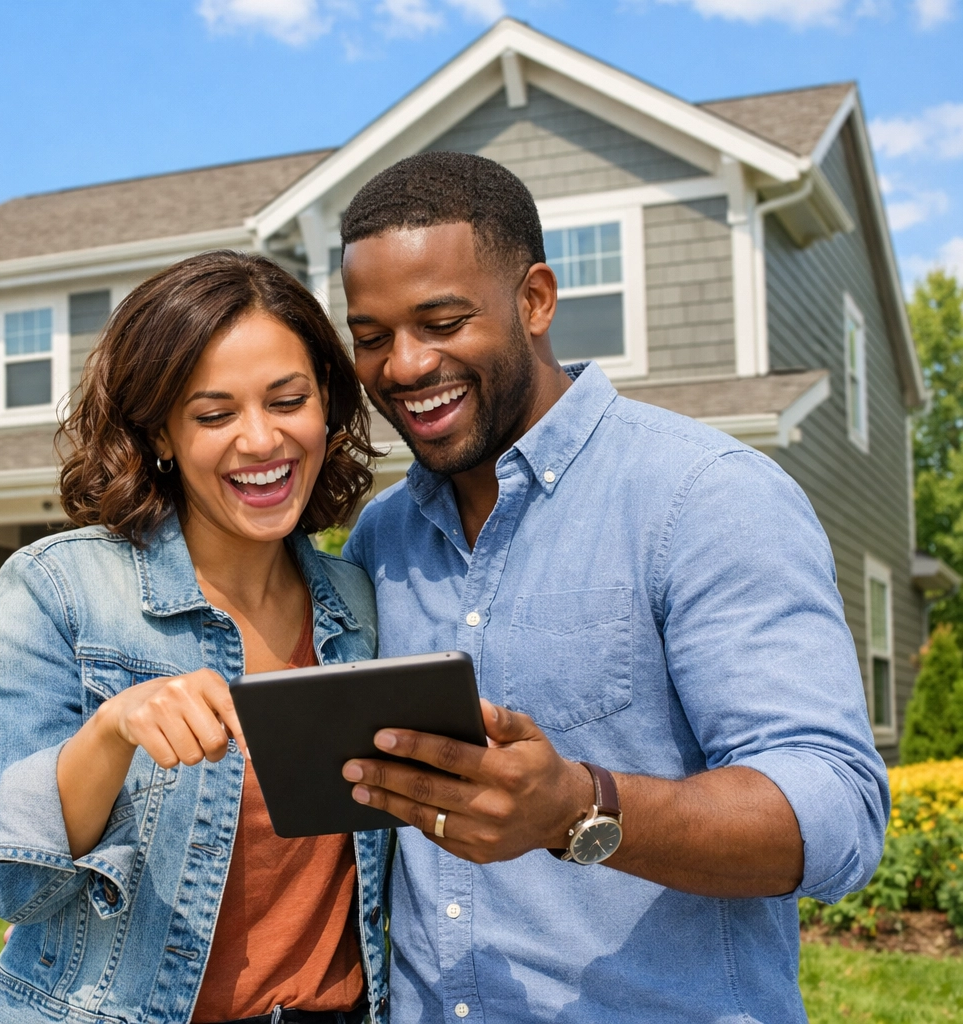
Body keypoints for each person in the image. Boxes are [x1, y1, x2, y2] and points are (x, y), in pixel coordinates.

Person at [334, 151, 888, 1023]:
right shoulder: (380, 538)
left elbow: (837, 810)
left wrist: (582, 808)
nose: (403, 366)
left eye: (442, 321)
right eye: (371, 337)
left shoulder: (705, 496)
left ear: (536, 301)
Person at [0, 250, 390, 1024]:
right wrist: (113, 729)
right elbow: (3, 880)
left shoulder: (358, 605)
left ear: (326, 402)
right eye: (214, 414)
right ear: (160, 432)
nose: (261, 441)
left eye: (287, 400)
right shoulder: (59, 588)